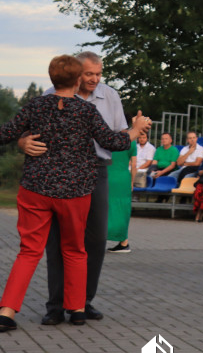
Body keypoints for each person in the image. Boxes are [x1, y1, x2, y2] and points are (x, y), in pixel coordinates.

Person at [1, 55, 149, 332]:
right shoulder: (85, 111)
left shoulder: (35, 104)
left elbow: (5, 132)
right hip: (75, 190)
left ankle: (7, 312)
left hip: (35, 188)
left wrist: (20, 139)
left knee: (28, 251)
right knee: (75, 249)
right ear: (78, 78)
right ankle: (77, 309)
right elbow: (113, 141)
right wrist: (136, 130)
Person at [106, 136, 136, 253]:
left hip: (107, 175)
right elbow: (134, 165)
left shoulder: (107, 138)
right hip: (123, 178)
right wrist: (132, 182)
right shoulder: (131, 141)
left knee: (105, 208)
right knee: (123, 209)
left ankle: (100, 237)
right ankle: (124, 241)